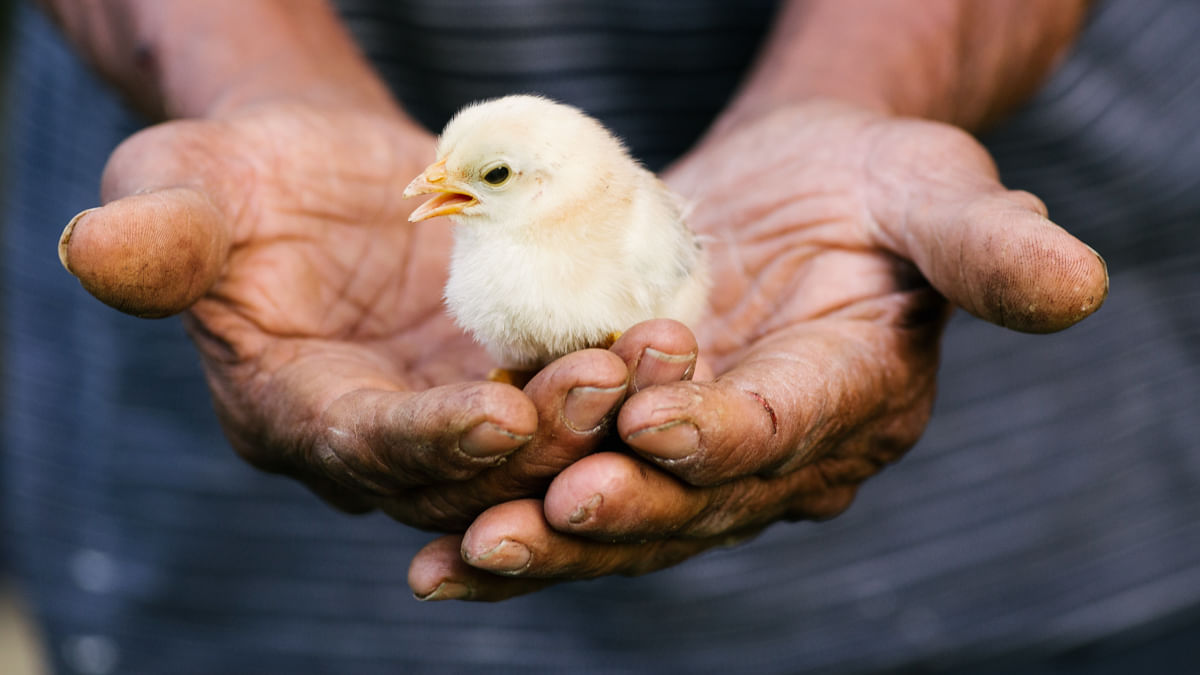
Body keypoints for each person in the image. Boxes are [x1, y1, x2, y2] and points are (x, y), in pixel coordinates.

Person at [2, 0, 1196, 672]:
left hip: (1033, 548)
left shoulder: (613, 228)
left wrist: (868, 90)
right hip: (225, 572)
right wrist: (252, 81)